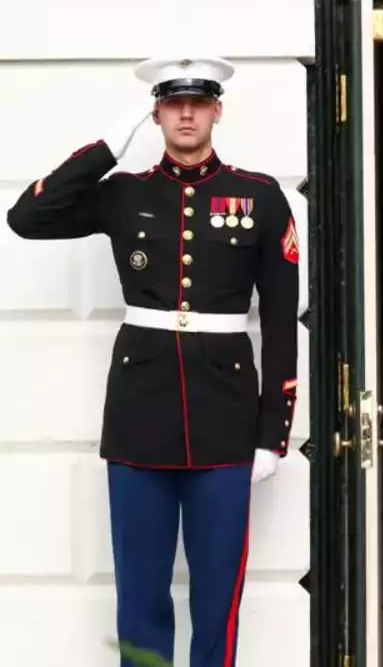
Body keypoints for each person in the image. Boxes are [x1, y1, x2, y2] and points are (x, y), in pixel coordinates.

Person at [6, 57, 300, 667]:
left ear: (217, 111)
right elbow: (27, 218)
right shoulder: (124, 193)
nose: (186, 114)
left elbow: (279, 323)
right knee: (140, 595)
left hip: (226, 419)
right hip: (139, 415)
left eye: (198, 103)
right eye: (172, 104)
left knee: (218, 597)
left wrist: (272, 433)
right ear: (157, 113)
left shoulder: (260, 197)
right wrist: (107, 147)